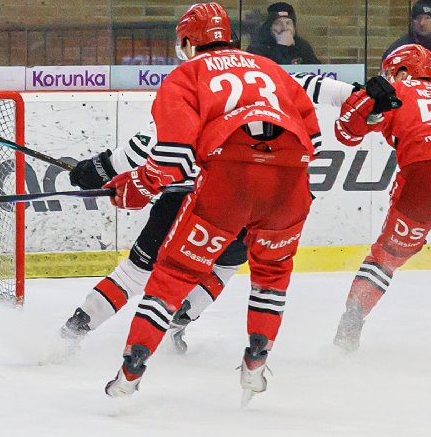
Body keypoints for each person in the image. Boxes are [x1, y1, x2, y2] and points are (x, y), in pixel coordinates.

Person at [100, 2, 321, 405]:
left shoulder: (187, 74)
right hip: (290, 187)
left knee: (172, 276)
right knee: (271, 278)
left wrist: (138, 185)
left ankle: (131, 370)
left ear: (188, 41)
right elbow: (315, 141)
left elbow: (172, 158)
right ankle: (256, 360)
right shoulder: (271, 69)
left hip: (228, 184)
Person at [60, 72, 357, 357]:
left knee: (135, 275)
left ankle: (73, 332)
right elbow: (310, 86)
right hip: (260, 199)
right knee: (222, 269)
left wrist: (96, 170)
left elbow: (147, 146)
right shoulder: (263, 75)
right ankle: (180, 320)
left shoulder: (195, 82)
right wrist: (356, 94)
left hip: (196, 197)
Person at [333, 44, 431, 351]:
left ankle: (349, 329)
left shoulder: (395, 92)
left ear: (402, 71)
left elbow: (346, 134)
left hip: (425, 177)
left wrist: (369, 102)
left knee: (385, 258)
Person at [247, 2, 321, 66]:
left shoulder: (302, 45)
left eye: (288, 23)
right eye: (278, 23)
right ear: (270, 28)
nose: (284, 28)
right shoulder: (257, 48)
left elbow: (315, 69)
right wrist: (282, 47)